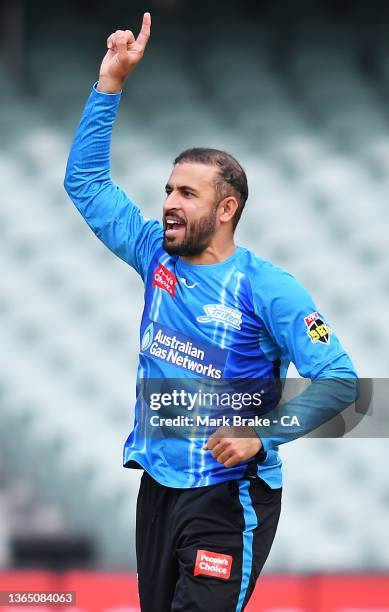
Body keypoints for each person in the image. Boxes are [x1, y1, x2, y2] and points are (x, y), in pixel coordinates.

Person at [64, 13, 357, 612]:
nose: (168, 203)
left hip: (229, 496)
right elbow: (86, 182)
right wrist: (110, 85)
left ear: (226, 209)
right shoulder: (153, 255)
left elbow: (345, 385)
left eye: (186, 194)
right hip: (158, 489)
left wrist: (260, 433)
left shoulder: (267, 288)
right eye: (168, 190)